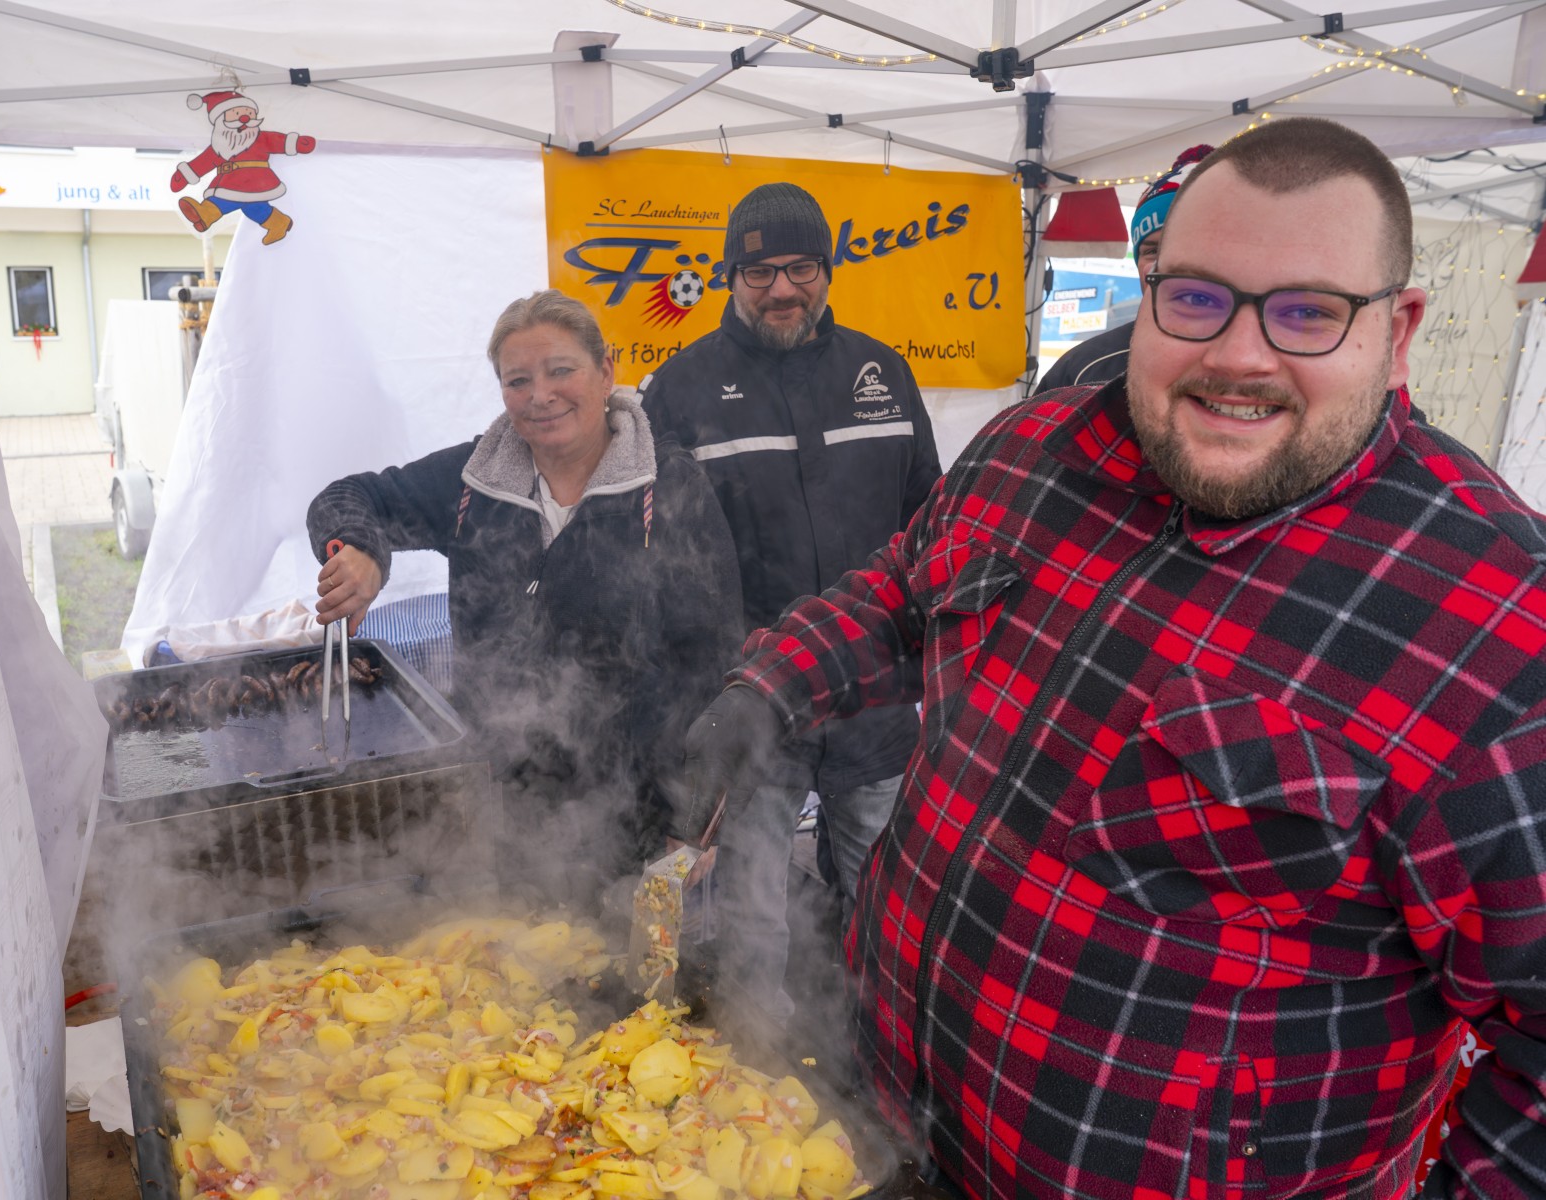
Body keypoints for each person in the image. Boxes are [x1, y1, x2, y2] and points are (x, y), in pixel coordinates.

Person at [677, 117, 1546, 1197]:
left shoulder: (1501, 624)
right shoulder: (1027, 454)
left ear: (1398, 329)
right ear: (1150, 287)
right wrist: (771, 684)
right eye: (1198, 299)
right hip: (880, 1132)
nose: (1239, 355)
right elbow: (902, 588)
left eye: (1307, 312)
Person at [309, 290, 742, 897]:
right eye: (518, 381)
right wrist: (362, 549)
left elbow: (711, 665)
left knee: (623, 958)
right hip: (499, 805)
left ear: (606, 371)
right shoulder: (474, 482)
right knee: (503, 951)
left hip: (638, 816)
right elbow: (350, 496)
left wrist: (694, 822)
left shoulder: (669, 489)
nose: (540, 395)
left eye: (561, 370)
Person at [640, 181, 941, 1014]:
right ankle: (754, 1059)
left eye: (801, 267)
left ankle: (882, 1044)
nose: (782, 288)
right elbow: (663, 564)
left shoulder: (882, 372)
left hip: (876, 699)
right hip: (755, 706)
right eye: (759, 271)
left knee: (888, 896)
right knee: (753, 919)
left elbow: (931, 523)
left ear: (828, 270)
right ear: (730, 276)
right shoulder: (680, 389)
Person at [1033, 144, 1212, 393]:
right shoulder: (1081, 369)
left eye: (1189, 247)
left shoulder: (1256, 359)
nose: (1167, 265)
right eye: (1152, 250)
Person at [171, 89, 315, 245]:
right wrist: (184, 176)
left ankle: (206, 214)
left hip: (256, 180)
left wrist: (297, 143)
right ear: (221, 119)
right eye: (237, 113)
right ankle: (278, 223)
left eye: (249, 113)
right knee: (253, 207)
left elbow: (278, 141)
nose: (245, 118)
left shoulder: (260, 138)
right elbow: (204, 161)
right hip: (230, 181)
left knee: (225, 200)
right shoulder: (220, 146)